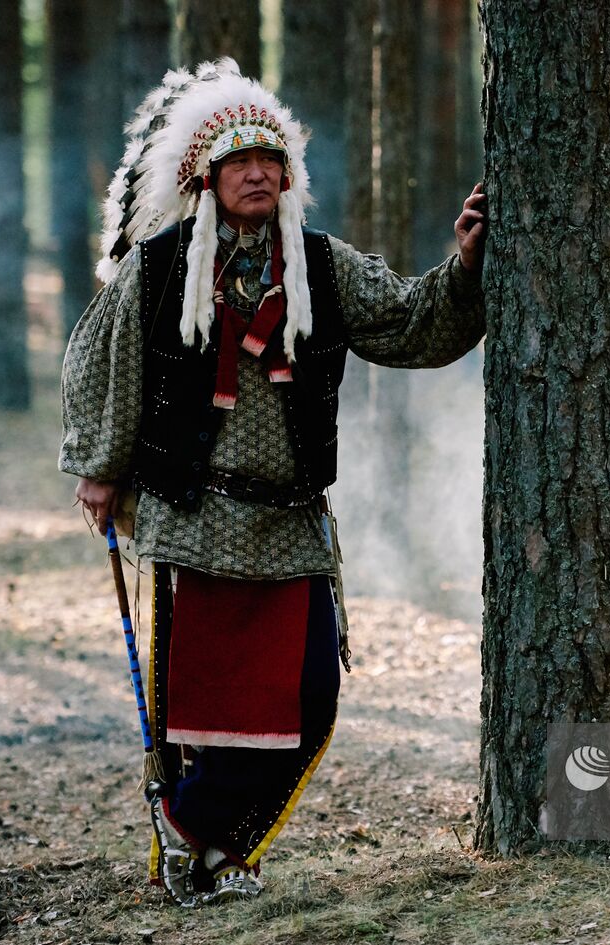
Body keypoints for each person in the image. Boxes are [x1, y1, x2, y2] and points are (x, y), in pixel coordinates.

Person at [59, 59, 486, 907]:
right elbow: (96, 360)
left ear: (288, 176)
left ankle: (188, 833)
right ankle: (213, 862)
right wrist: (102, 467)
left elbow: (411, 322)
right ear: (207, 178)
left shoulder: (324, 267)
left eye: (270, 161)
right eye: (237, 162)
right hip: (194, 514)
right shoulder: (160, 267)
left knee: (310, 698)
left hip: (291, 522)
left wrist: (467, 262)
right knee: (204, 707)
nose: (257, 173)